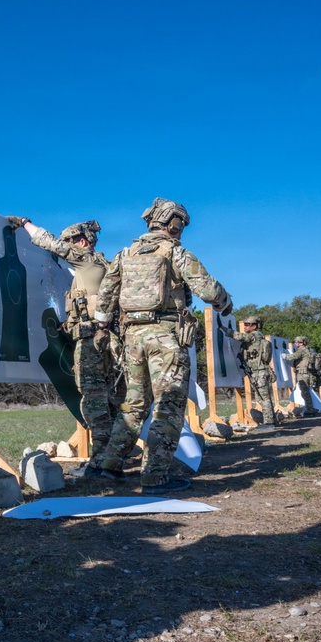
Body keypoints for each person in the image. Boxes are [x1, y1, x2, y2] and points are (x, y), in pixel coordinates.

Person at [95, 198, 232, 494]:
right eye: (180, 224)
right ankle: (154, 476)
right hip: (166, 337)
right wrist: (225, 301)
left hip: (132, 338)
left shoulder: (124, 254)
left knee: (134, 403)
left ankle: (111, 465)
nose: (181, 230)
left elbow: (106, 294)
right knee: (168, 404)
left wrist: (104, 326)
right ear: (174, 223)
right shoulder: (176, 253)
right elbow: (207, 288)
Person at [5, 216, 117, 477]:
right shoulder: (104, 265)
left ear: (81, 241)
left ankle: (102, 463)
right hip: (105, 339)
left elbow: (48, 243)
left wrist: (25, 223)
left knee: (94, 400)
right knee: (108, 399)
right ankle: (113, 456)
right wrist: (69, 324)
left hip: (92, 342)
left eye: (70, 242)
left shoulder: (87, 260)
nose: (67, 247)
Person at [222, 315, 278, 429]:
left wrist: (224, 329)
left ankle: (269, 423)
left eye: (248, 325)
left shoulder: (254, 335)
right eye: (245, 324)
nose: (245, 327)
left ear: (254, 326)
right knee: (261, 397)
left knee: (263, 398)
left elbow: (240, 337)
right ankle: (271, 420)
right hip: (258, 371)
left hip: (259, 371)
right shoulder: (259, 337)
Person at [282, 336, 316, 416]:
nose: (295, 344)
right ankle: (310, 408)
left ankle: (310, 410)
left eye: (296, 342)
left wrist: (284, 356)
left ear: (301, 343)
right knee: (305, 392)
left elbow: (293, 356)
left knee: (305, 392)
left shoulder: (302, 350)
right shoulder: (307, 350)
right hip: (304, 373)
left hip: (302, 373)